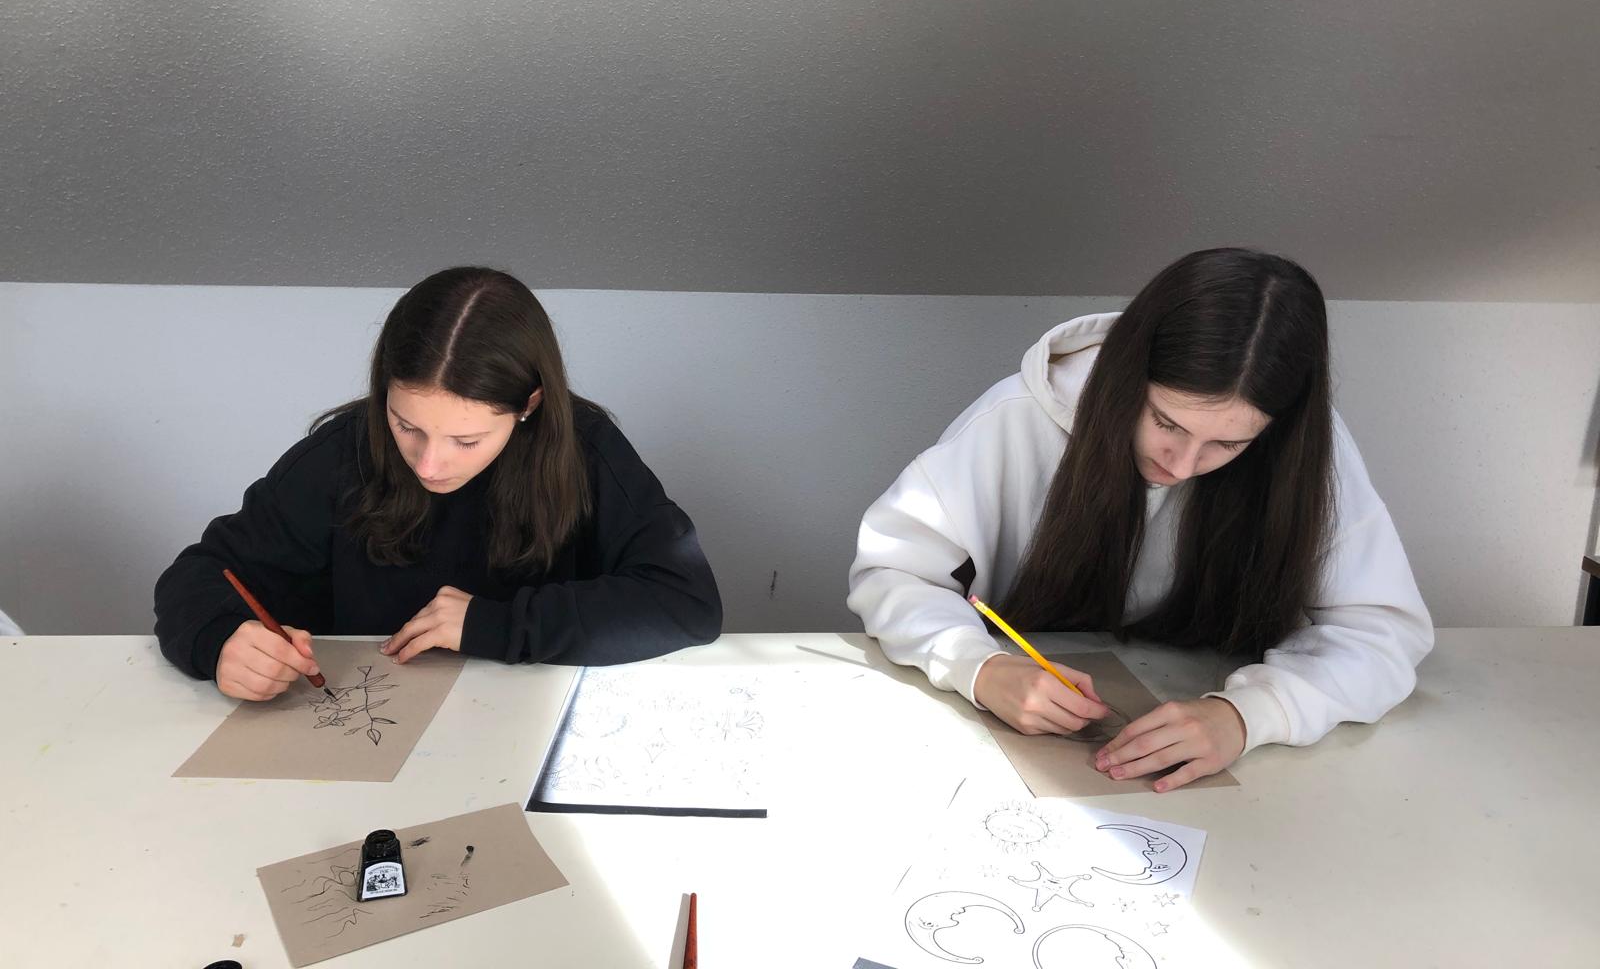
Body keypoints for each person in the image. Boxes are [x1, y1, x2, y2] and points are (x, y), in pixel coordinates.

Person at [846, 248, 1432, 791]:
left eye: (1227, 444)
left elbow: (1381, 633)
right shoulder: (1015, 418)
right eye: (1167, 423)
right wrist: (981, 667)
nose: (1182, 465)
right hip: (1011, 747)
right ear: (1129, 374)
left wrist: (1248, 715)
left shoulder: (1306, 450)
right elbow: (893, 574)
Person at [155, 266, 722, 700]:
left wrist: (495, 625)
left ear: (529, 406)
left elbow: (685, 601)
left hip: (525, 726)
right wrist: (219, 639)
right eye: (407, 426)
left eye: (466, 441)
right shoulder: (344, 450)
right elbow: (201, 573)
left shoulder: (586, 451)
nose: (428, 465)